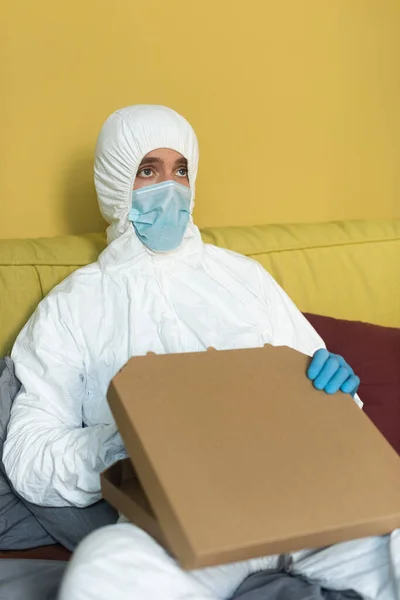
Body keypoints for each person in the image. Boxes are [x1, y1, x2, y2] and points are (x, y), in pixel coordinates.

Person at [4, 105, 397, 599]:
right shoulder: (72, 307)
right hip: (179, 525)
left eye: (181, 170)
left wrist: (337, 390)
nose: (170, 187)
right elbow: (28, 456)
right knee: (104, 572)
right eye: (149, 170)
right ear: (115, 182)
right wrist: (127, 441)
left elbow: (337, 415)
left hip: (305, 499)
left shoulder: (244, 278)